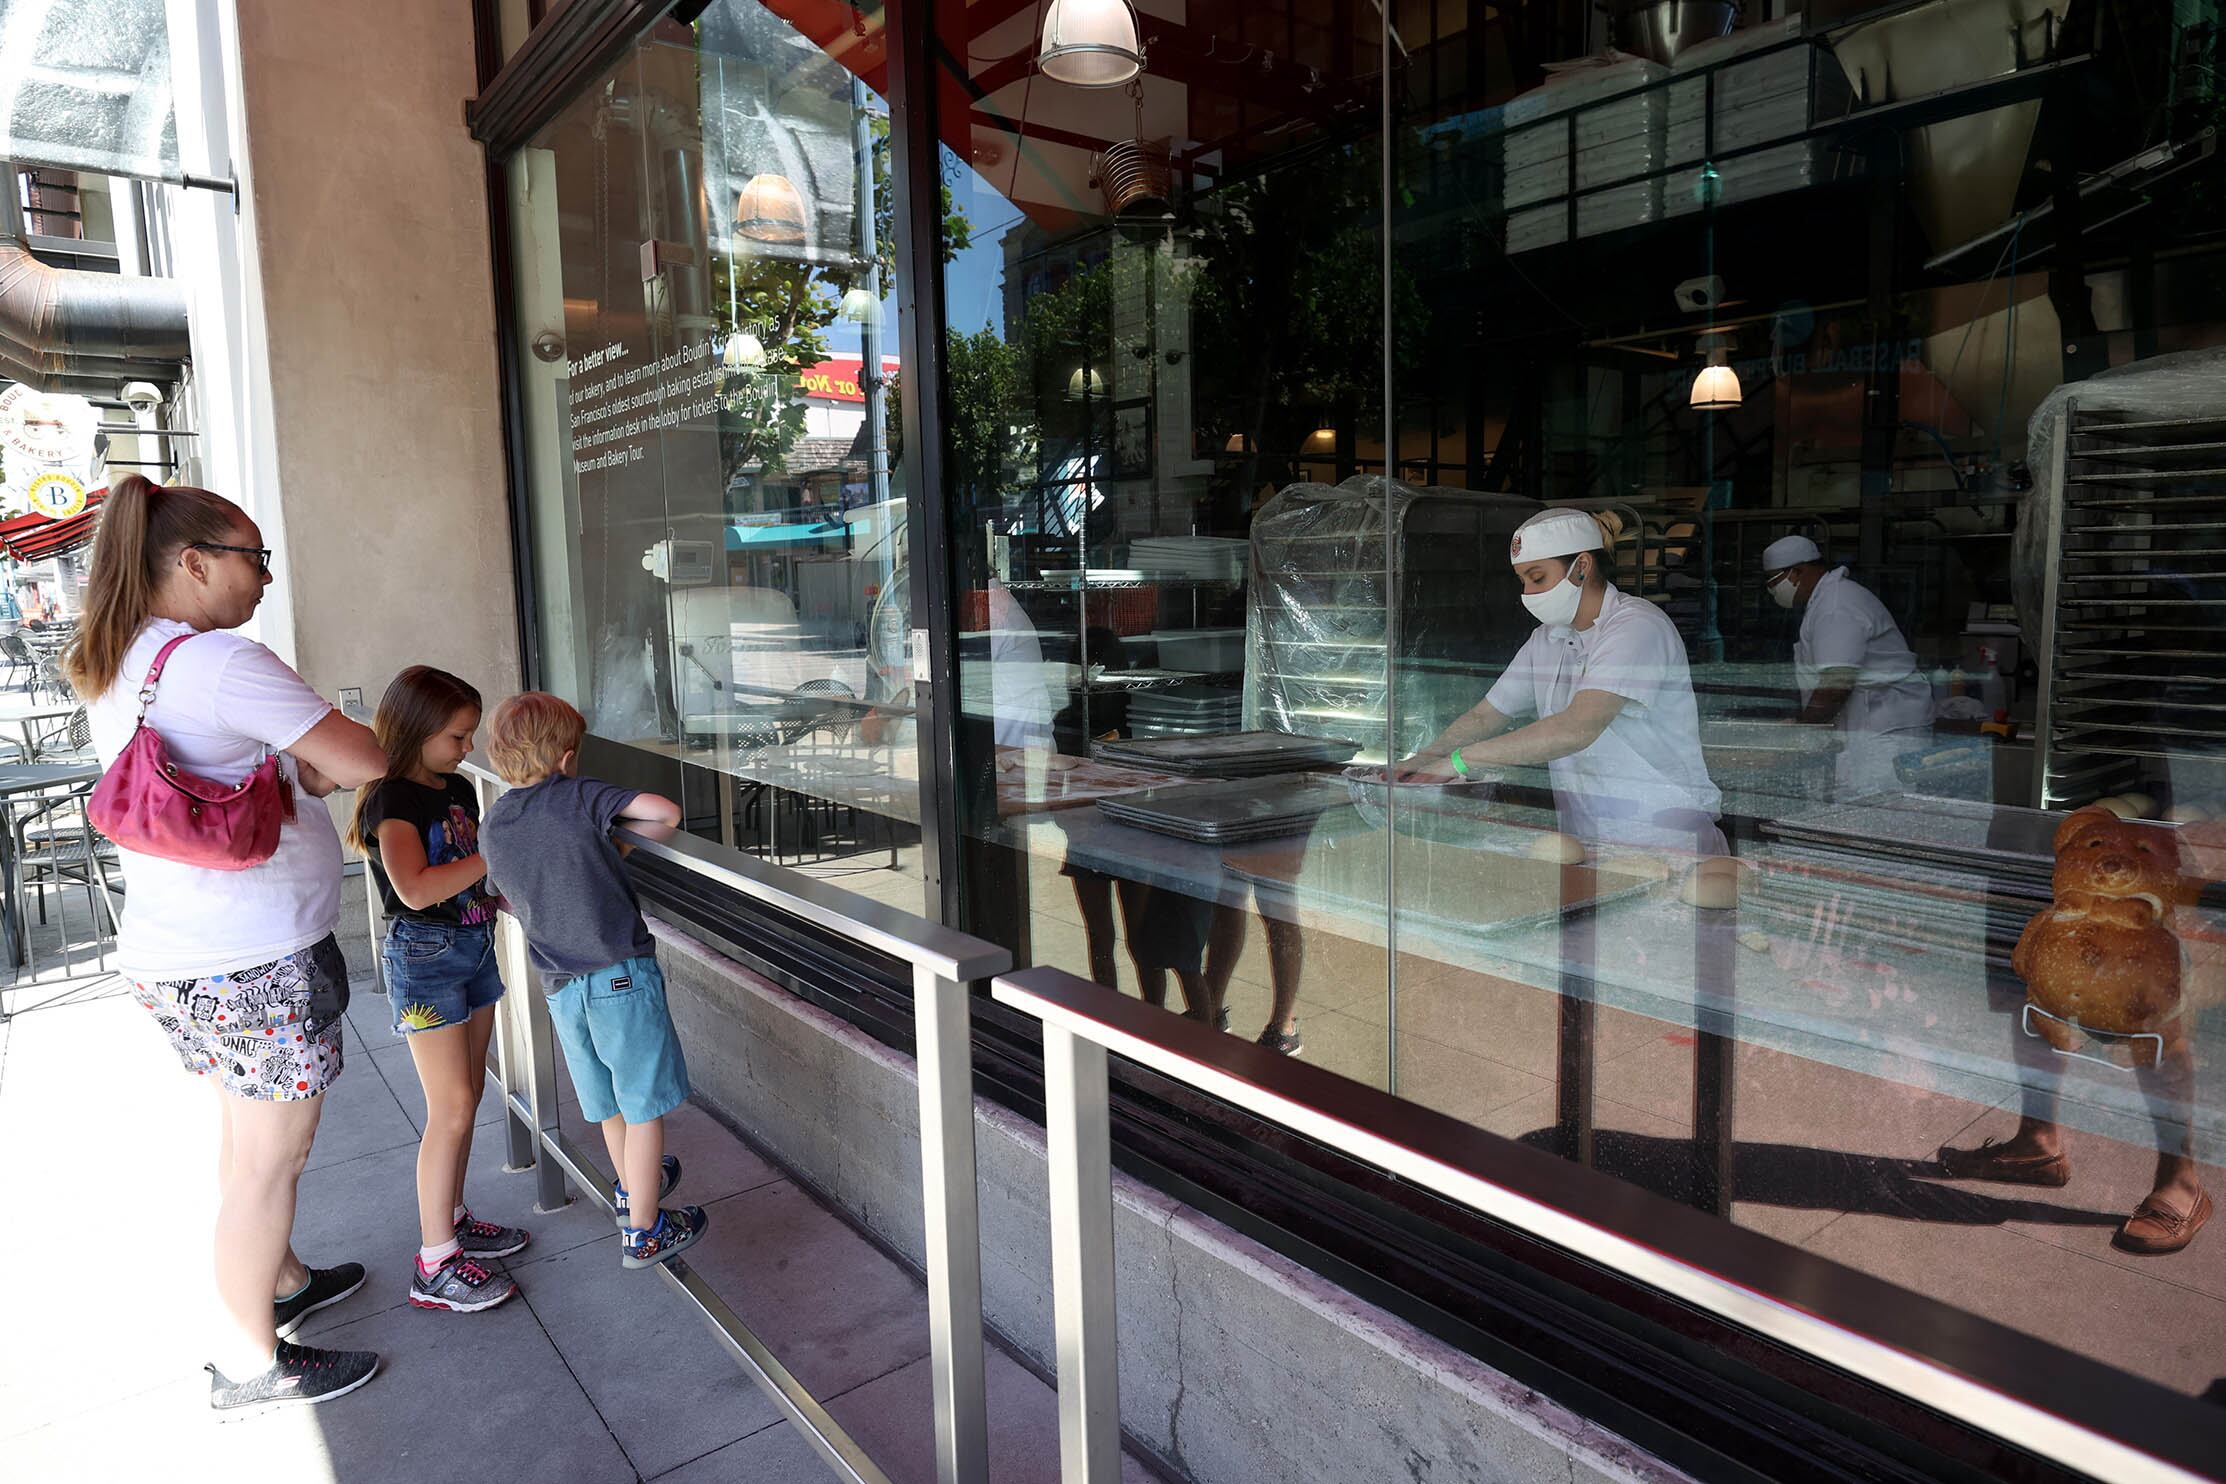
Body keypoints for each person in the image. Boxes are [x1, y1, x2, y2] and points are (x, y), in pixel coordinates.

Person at [68, 473, 389, 1413]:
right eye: (253, 558)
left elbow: (217, 762)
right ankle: (252, 1360)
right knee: (269, 1159)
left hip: (180, 951)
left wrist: (294, 760)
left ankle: (281, 1280)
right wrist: (330, 741)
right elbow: (365, 757)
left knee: (244, 1138)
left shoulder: (124, 656)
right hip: (253, 956)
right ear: (193, 562)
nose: (263, 579)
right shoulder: (220, 661)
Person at [478, 692, 708, 1269]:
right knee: (644, 1106)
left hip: (560, 985)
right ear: (565, 756)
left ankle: (632, 1193)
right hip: (619, 975)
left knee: (606, 1103)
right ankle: (646, 1230)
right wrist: (614, 833)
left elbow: (513, 890)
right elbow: (664, 812)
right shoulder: (581, 796)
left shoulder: (497, 820)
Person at [346, 666, 530, 1313]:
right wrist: (496, 851)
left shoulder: (453, 787)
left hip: (473, 946)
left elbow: (470, 876)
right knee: (449, 1108)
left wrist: (505, 888)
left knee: (472, 1093)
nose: (466, 749)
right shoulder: (390, 800)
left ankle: (453, 1217)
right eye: (457, 736)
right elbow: (416, 888)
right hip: (423, 959)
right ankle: (435, 1262)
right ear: (418, 731)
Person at [1395, 508, 1723, 855]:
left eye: (1537, 578)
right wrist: (1422, 760)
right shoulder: (1547, 639)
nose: (1528, 593)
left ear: (1582, 567)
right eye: (1522, 580)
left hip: (1663, 837)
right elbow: (1486, 716)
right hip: (1587, 836)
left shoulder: (1637, 627)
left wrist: (1458, 762)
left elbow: (1576, 728)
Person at [1760, 535, 1934, 801]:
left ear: (1797, 572)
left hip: (1883, 734)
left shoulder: (1835, 607)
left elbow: (1835, 685)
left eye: (1774, 581)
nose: (1772, 590)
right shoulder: (1828, 600)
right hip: (1872, 729)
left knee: (1878, 814)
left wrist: (1802, 733)